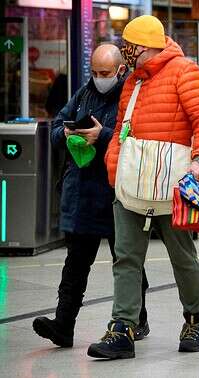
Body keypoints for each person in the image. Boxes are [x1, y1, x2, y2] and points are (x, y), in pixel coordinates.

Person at [87, 15, 199, 359]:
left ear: (145, 46)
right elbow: (121, 129)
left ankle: (195, 318)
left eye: (129, 47)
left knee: (182, 256)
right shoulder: (133, 82)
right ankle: (122, 328)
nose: (125, 54)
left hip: (172, 184)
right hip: (131, 183)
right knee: (126, 258)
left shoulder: (185, 72)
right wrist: (114, 167)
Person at [32, 44, 150, 348]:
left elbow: (139, 138)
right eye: (95, 73)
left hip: (116, 194)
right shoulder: (83, 94)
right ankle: (63, 325)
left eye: (105, 73)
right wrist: (68, 134)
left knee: (125, 260)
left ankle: (138, 319)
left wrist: (104, 135)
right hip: (82, 194)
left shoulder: (133, 96)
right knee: (75, 264)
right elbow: (57, 126)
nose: (99, 78)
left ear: (120, 70)